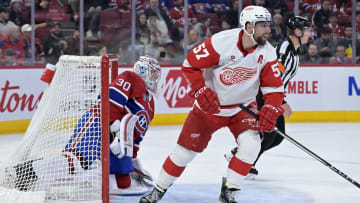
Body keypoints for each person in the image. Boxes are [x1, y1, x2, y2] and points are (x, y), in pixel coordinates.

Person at [140, 5, 285, 203]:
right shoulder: (222, 42)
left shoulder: (268, 52)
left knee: (251, 144)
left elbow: (274, 89)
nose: (269, 30)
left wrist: (270, 108)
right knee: (184, 153)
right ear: (249, 26)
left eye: (269, 25)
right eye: (263, 25)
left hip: (241, 108)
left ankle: (229, 192)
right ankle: (159, 188)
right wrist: (201, 90)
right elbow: (190, 65)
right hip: (210, 108)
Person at [8, 56, 162, 195]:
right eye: (153, 73)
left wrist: (132, 162)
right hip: (98, 122)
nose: (156, 78)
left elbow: (136, 137)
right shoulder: (131, 78)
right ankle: (23, 172)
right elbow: (111, 99)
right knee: (75, 160)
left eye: (157, 75)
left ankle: (31, 173)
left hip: (112, 139)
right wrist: (111, 125)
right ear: (142, 70)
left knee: (81, 167)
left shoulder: (150, 105)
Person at [241, 16, 312, 179]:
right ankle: (244, 162)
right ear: (297, 31)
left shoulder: (294, 51)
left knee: (277, 136)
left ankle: (241, 157)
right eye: (307, 30)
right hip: (263, 93)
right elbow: (272, 76)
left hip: (273, 95)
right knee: (270, 133)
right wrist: (282, 101)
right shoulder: (285, 48)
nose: (310, 34)